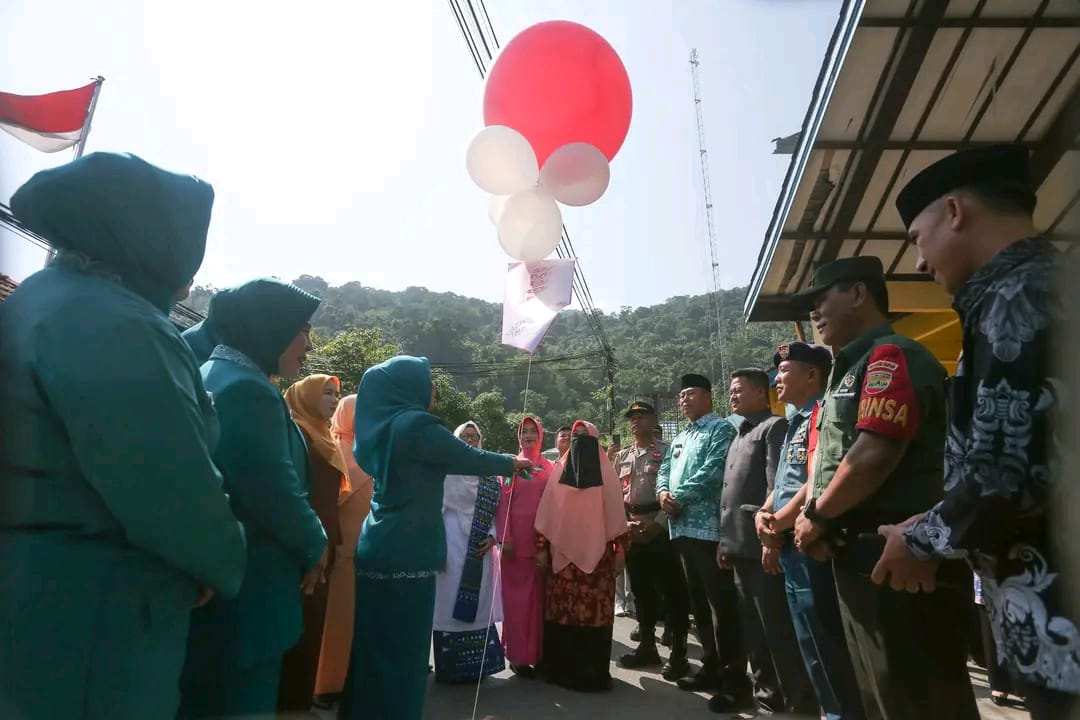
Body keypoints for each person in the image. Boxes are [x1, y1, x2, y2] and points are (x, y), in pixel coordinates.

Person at [0, 153, 246, 720]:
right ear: (151, 240)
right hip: (93, 615)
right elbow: (168, 485)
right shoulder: (117, 324)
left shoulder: (42, 301)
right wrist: (215, 559)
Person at [872, 143, 1078, 718]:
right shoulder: (1037, 285)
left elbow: (1007, 476)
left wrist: (918, 539)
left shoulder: (1019, 297)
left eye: (917, 237)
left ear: (956, 213)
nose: (917, 262)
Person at [790, 256, 978, 720]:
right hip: (861, 558)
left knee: (917, 697)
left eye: (822, 299)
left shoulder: (890, 356)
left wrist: (815, 516)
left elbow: (874, 455)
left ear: (859, 294)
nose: (814, 313)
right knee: (880, 695)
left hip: (899, 559)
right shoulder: (848, 368)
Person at [340, 356, 531, 720]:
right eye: (427, 381)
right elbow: (463, 455)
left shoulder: (380, 428)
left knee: (373, 650)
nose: (434, 390)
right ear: (407, 387)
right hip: (409, 549)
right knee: (404, 656)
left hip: (378, 541)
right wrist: (511, 463)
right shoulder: (415, 426)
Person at [178, 278, 330, 718]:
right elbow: (273, 487)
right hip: (249, 594)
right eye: (301, 328)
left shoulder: (218, 372)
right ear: (271, 328)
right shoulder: (247, 389)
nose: (308, 342)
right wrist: (315, 543)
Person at [757, 342, 865, 720]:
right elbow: (786, 479)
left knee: (828, 649)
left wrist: (777, 522)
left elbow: (816, 481)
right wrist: (765, 514)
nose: (777, 379)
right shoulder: (796, 420)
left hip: (810, 543)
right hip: (789, 539)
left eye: (785, 371)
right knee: (809, 646)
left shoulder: (822, 413)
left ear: (812, 375)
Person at [717, 368, 815, 715]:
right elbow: (728, 495)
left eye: (739, 390)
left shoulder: (773, 428)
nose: (732, 396)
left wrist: (771, 541)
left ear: (762, 393)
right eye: (730, 391)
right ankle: (767, 696)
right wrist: (725, 541)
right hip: (739, 545)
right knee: (753, 632)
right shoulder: (739, 433)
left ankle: (794, 701)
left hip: (762, 546)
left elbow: (778, 486)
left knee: (777, 631)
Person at [656, 374, 750, 708]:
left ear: (709, 397)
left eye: (690, 394)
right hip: (681, 530)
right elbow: (664, 469)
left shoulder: (721, 429)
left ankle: (735, 682)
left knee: (721, 608)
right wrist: (663, 492)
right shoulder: (681, 435)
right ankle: (711, 669)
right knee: (699, 606)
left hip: (709, 530)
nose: (684, 400)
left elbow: (713, 471)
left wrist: (677, 496)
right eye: (680, 395)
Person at [535, 420, 630, 692]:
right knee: (563, 616)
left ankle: (592, 675)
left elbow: (617, 521)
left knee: (593, 617)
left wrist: (620, 552)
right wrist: (541, 548)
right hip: (562, 564)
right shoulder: (559, 472)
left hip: (598, 563)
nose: (578, 442)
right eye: (575, 437)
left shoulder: (607, 474)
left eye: (584, 437)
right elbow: (546, 516)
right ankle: (561, 670)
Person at [278, 374, 347, 711]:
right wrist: (312, 546)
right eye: (327, 393)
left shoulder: (325, 437)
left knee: (313, 632)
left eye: (337, 394)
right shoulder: (298, 435)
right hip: (306, 548)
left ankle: (300, 703)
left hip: (326, 545)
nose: (334, 399)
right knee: (297, 635)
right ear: (305, 397)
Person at [615, 401, 691, 681]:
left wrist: (658, 524)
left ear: (653, 419)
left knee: (673, 592)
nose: (636, 421)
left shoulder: (667, 451)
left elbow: (677, 489)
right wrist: (626, 524)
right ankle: (647, 645)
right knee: (642, 591)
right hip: (634, 529)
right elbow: (616, 495)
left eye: (641, 416)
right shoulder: (623, 456)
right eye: (632, 417)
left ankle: (679, 654)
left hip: (662, 528)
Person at [432, 421, 507, 684]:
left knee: (480, 602)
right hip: (451, 543)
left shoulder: (489, 475)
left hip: (480, 546)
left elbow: (498, 514)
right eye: (465, 436)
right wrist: (437, 548)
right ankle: (450, 667)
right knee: (448, 600)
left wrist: (493, 536)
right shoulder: (446, 471)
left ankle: (479, 667)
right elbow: (434, 513)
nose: (470, 440)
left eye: (475, 436)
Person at [314, 393, 375, 706]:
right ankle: (326, 684)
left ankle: (349, 679)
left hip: (364, 550)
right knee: (337, 621)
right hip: (340, 552)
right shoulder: (334, 448)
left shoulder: (368, 450)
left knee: (357, 621)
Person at [496, 416, 556, 676]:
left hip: (542, 543)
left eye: (533, 431)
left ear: (541, 435)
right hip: (515, 546)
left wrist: (549, 544)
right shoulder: (511, 465)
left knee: (540, 603)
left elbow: (555, 507)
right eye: (524, 431)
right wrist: (505, 537)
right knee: (517, 603)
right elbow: (502, 504)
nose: (529, 435)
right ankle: (519, 656)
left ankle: (541, 654)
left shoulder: (550, 467)